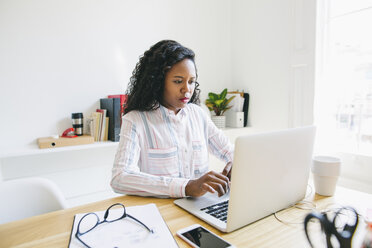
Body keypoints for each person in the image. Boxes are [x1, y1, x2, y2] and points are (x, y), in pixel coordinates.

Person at [111, 40, 234, 198]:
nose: (187, 89)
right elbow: (120, 178)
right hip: (162, 212)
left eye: (191, 81)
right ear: (158, 82)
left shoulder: (198, 114)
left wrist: (235, 164)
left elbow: (230, 152)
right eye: (178, 81)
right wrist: (186, 187)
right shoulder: (135, 120)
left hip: (202, 207)